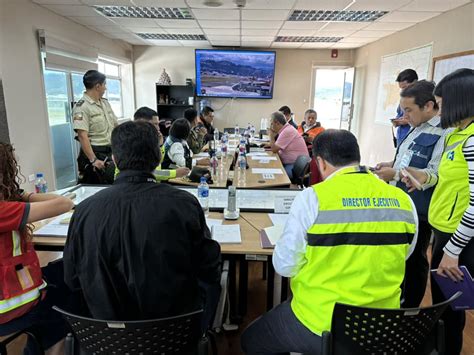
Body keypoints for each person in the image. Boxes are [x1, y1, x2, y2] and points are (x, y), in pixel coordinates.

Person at [241, 129, 418, 354]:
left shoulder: (312, 198)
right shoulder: (403, 200)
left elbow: (285, 266)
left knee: (251, 340)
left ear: (321, 163)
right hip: (382, 327)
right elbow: (405, 253)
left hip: (320, 323)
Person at [63, 121, 221, 326]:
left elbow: (72, 278)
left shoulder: (84, 211)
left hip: (106, 337)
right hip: (175, 331)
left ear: (114, 159)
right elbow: (208, 266)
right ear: (158, 157)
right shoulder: (183, 204)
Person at [403, 68, 474, 355]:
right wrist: (425, 178)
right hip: (445, 230)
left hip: (460, 237)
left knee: (453, 308)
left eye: (442, 103)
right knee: (445, 306)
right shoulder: (458, 135)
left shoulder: (471, 141)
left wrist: (453, 250)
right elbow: (447, 178)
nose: (439, 110)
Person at [374, 80, 448, 307]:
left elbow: (434, 172)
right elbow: (408, 159)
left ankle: (410, 309)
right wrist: (390, 164)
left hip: (421, 209)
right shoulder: (417, 127)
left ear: (428, 106)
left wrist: (395, 174)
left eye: (408, 110)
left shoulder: (444, 132)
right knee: (401, 255)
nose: (405, 115)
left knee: (415, 259)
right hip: (403, 203)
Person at [0, 142, 74, 355]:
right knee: (62, 300)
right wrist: (21, 195)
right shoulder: (5, 210)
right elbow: (63, 203)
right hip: (8, 307)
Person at [72, 70, 118, 184]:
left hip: (109, 152)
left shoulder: (105, 103)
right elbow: (82, 136)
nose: (105, 88)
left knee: (111, 187)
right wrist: (93, 160)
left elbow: (115, 125)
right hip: (95, 153)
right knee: (94, 190)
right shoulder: (82, 107)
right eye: (104, 84)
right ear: (98, 86)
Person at [132, 107, 189, 181]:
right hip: (138, 187)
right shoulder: (134, 144)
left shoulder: (148, 140)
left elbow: (158, 163)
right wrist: (175, 173)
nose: (158, 128)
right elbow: (151, 173)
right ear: (142, 123)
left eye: (158, 124)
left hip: (152, 184)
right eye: (155, 124)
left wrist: (160, 146)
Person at [268, 111, 309, 178]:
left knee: (274, 174)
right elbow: (278, 145)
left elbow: (274, 149)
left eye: (271, 123)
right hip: (291, 163)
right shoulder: (286, 129)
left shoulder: (287, 131)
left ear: (277, 123)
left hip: (294, 167)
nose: (271, 126)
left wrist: (271, 136)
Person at [391, 69, 418, 147]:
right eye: (401, 88)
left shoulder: (422, 100)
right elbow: (399, 115)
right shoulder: (403, 99)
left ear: (415, 82)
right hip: (401, 136)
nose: (403, 91)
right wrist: (396, 121)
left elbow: (423, 121)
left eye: (405, 87)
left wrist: (407, 121)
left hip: (412, 139)